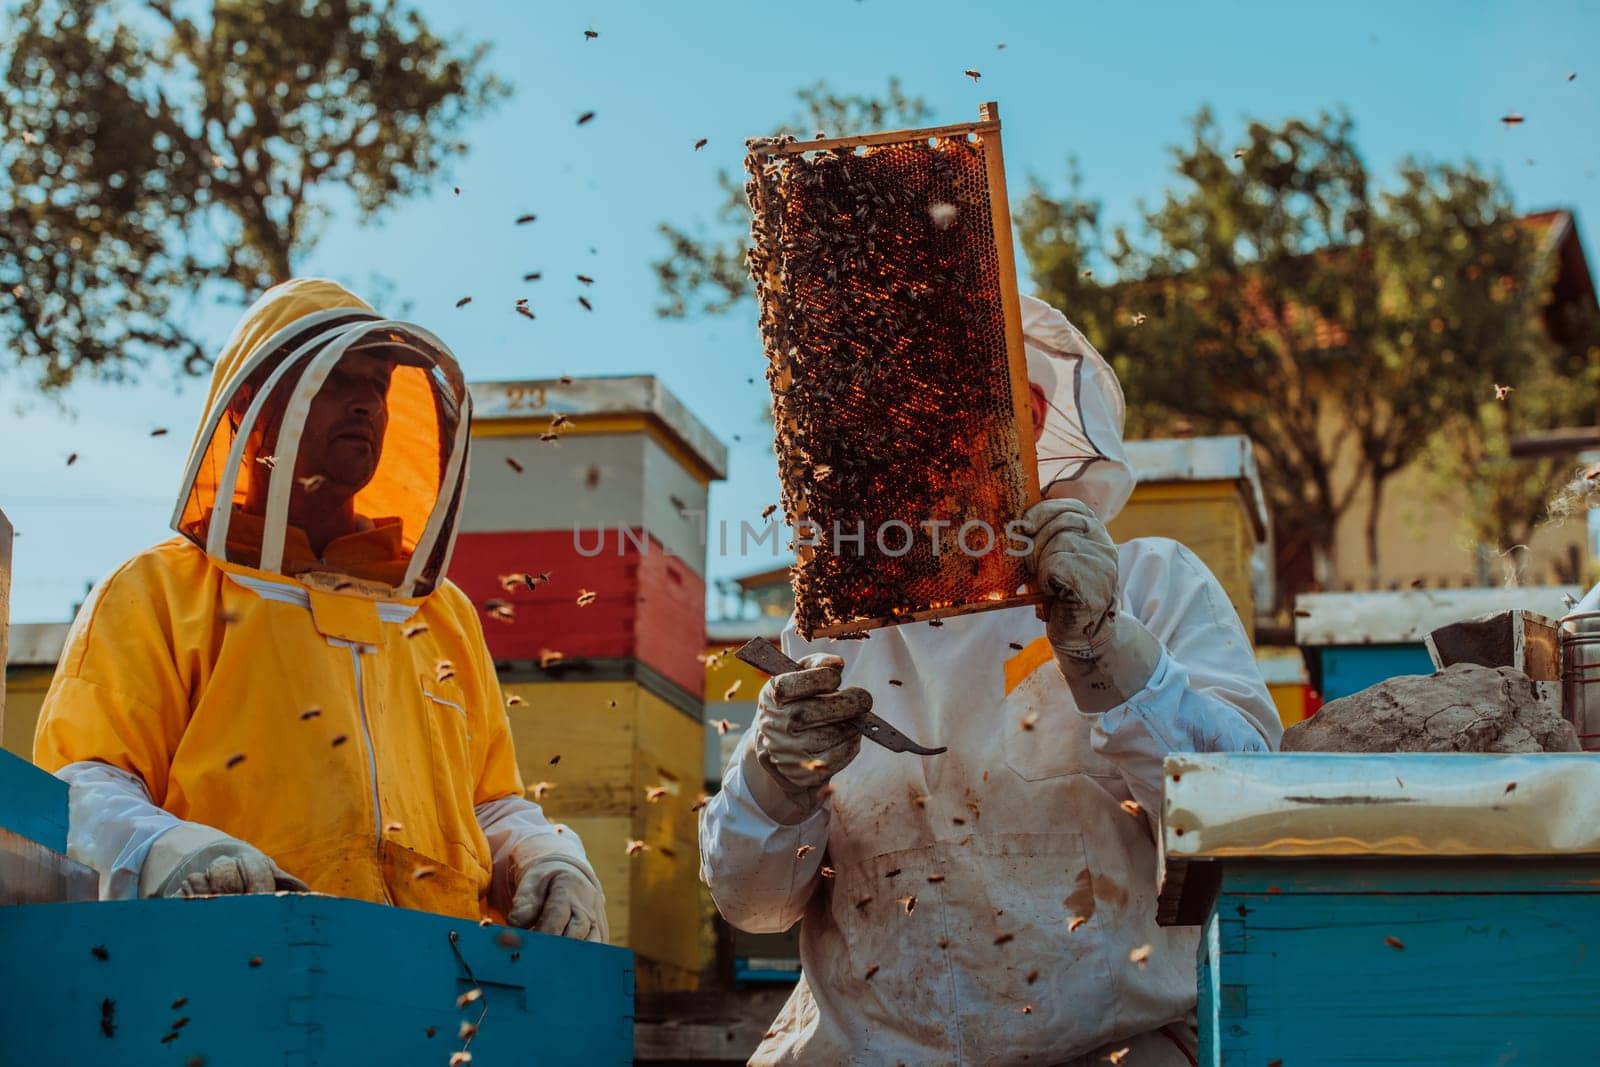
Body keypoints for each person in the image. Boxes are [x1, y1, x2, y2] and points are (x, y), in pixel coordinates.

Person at [700, 295, 1282, 1064]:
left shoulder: (1152, 583)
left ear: (1030, 417)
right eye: (881, 416)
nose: (905, 442)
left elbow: (1250, 825)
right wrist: (773, 779)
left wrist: (1111, 649)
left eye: (935, 407)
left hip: (1109, 1045)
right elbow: (752, 902)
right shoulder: (830, 632)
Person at [33, 278, 607, 940]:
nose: (367, 404)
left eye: (380, 386)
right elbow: (84, 784)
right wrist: (167, 850)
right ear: (255, 405)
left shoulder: (440, 614)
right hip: (220, 972)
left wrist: (542, 853)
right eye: (338, 381)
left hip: (439, 986)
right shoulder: (155, 592)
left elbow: (488, 803)